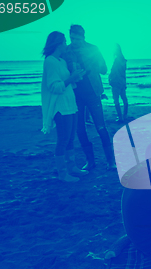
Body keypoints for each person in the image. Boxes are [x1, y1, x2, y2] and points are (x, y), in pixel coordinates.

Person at [62, 24, 116, 170]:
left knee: (100, 127)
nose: (75, 42)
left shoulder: (93, 49)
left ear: (83, 37)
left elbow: (104, 70)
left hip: (93, 93)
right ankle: (90, 161)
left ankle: (111, 161)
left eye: (78, 39)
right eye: (72, 38)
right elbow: (61, 71)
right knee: (79, 129)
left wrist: (93, 64)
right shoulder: (66, 51)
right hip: (75, 95)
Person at [41, 31, 87, 182]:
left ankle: (72, 167)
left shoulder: (61, 61)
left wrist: (76, 75)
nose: (66, 44)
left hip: (70, 104)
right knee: (63, 139)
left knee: (70, 138)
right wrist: (71, 78)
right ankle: (62, 173)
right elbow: (54, 87)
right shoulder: (50, 61)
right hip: (60, 107)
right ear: (58, 44)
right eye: (64, 41)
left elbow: (67, 83)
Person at [109, 43, 128, 122]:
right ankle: (125, 115)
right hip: (122, 81)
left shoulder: (117, 60)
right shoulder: (123, 59)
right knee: (124, 98)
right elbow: (123, 72)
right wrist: (124, 82)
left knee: (116, 100)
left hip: (116, 82)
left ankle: (120, 117)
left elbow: (114, 72)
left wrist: (110, 79)